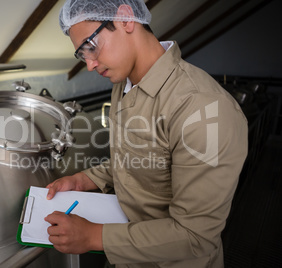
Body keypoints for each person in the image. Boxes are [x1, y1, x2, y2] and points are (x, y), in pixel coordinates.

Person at [44, 0, 248, 267]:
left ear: (126, 19)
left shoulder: (203, 108)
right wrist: (84, 180)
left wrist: (95, 237)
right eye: (82, 55)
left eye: (91, 47)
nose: (90, 65)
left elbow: (196, 235)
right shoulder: (125, 82)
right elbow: (139, 159)